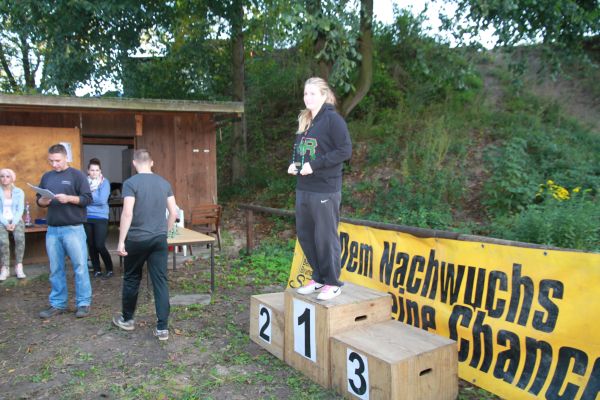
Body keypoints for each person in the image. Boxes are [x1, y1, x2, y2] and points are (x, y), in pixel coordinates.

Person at [288, 77, 352, 301]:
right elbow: (301, 150)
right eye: (306, 93)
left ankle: (333, 283)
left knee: (325, 237)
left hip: (325, 188)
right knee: (306, 235)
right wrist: (294, 163)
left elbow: (345, 150)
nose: (308, 98)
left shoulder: (333, 120)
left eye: (313, 93)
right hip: (304, 187)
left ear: (324, 95)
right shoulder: (306, 120)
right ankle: (319, 277)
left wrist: (314, 166)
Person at [112, 149, 178, 341]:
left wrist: (121, 241)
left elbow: (127, 213)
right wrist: (164, 232)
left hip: (137, 239)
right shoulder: (164, 183)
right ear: (152, 162)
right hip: (158, 239)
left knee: (132, 278)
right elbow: (173, 213)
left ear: (134, 163)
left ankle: (127, 320)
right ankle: (162, 328)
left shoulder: (131, 183)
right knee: (160, 281)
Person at [36, 144, 93, 319]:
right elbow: (39, 201)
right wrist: (43, 201)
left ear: (66, 157)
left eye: (57, 161)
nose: (54, 164)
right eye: (51, 161)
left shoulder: (77, 175)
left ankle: (83, 303)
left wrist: (68, 198)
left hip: (73, 229)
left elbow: (87, 199)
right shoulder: (47, 176)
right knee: (55, 269)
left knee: (80, 267)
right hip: (53, 230)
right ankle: (58, 304)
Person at [84, 158, 114, 278]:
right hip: (86, 217)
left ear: (100, 171)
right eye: (92, 170)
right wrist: (86, 199)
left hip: (101, 217)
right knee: (91, 245)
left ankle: (109, 268)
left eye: (97, 170)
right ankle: (97, 269)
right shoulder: (84, 182)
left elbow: (102, 200)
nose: (94, 172)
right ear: (88, 171)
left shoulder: (104, 182)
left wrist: (87, 199)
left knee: (99, 244)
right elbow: (81, 198)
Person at [0, 168, 26, 280]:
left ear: (12, 178)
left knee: (20, 239)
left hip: (16, 220)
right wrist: (6, 223)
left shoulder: (19, 192)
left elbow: (20, 209)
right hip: (1, 220)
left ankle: (19, 266)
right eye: (2, 176)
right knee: (3, 242)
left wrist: (14, 223)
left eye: (7, 176)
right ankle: (4, 268)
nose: (4, 179)